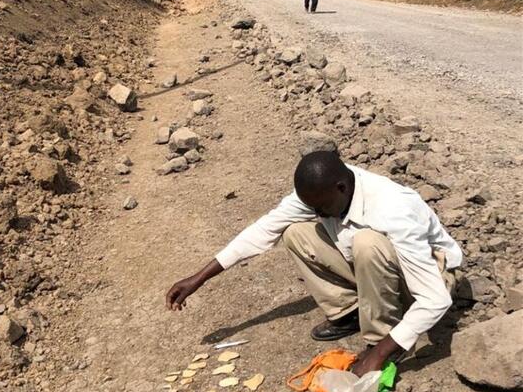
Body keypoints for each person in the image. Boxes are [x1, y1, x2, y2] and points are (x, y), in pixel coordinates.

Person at [165, 150, 462, 377]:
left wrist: (379, 354)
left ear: (342, 188)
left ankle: (382, 340)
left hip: (428, 276)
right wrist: (199, 278)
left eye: (322, 207)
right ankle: (350, 312)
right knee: (294, 232)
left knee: (367, 243)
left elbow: (435, 298)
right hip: (380, 270)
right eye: (312, 208)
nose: (318, 213)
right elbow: (263, 230)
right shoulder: (322, 194)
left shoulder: (393, 209)